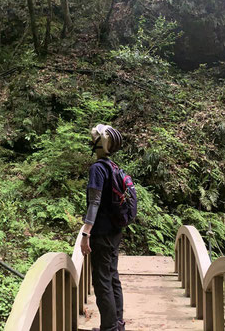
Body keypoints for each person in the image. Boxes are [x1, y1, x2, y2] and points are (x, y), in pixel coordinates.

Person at [80, 124, 126, 331]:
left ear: (100, 143)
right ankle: (117, 323)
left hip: (102, 233)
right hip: (115, 231)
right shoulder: (114, 167)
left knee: (101, 281)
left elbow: (94, 203)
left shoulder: (97, 169)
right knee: (112, 275)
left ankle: (109, 327)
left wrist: (85, 233)